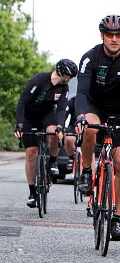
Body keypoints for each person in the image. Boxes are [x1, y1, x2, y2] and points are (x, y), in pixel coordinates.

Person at [75, 14, 120, 242]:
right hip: (96, 106)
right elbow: (82, 93)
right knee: (89, 128)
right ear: (102, 36)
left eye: (118, 35)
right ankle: (87, 171)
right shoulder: (90, 58)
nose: (114, 39)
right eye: (109, 35)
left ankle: (115, 219)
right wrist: (79, 117)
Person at [14, 59, 78, 207]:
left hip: (47, 114)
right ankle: (32, 191)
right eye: (68, 75)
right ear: (61, 72)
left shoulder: (64, 88)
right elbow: (22, 102)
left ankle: (52, 161)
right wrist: (19, 125)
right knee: (31, 152)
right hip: (30, 116)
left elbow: (62, 109)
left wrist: (61, 127)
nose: (69, 79)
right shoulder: (39, 80)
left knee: (53, 132)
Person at [63, 95, 77, 172]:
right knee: (69, 138)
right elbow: (64, 114)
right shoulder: (73, 101)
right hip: (74, 125)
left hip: (90, 126)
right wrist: (61, 127)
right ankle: (71, 157)